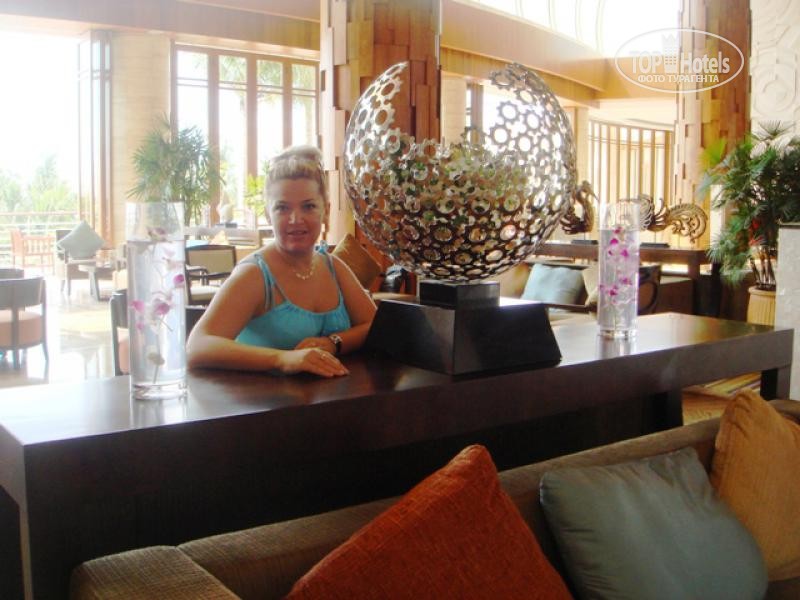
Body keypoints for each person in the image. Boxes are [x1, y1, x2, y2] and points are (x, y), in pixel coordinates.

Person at [187, 146, 376, 377]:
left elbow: (377, 326)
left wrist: (333, 342)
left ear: (325, 211)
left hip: (332, 397)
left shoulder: (333, 267)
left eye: (308, 206)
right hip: (262, 399)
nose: (296, 219)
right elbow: (197, 346)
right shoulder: (255, 275)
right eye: (282, 208)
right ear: (268, 214)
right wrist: (282, 358)